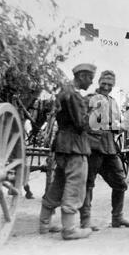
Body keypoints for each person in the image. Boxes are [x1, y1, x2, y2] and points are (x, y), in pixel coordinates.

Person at [39, 63, 95, 240]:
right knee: (75, 185)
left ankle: (44, 223)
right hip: (75, 147)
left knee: (59, 183)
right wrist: (92, 110)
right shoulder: (75, 96)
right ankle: (70, 229)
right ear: (82, 77)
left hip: (62, 145)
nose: (91, 83)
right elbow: (81, 124)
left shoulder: (64, 91)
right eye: (90, 78)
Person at [80, 70, 129, 230]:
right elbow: (84, 122)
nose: (106, 87)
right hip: (92, 147)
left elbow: (118, 122)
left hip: (110, 147)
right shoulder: (89, 99)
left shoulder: (113, 102)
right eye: (104, 83)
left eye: (110, 85)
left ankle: (117, 218)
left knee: (120, 182)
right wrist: (112, 125)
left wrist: (122, 126)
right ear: (99, 82)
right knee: (88, 183)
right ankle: (85, 221)